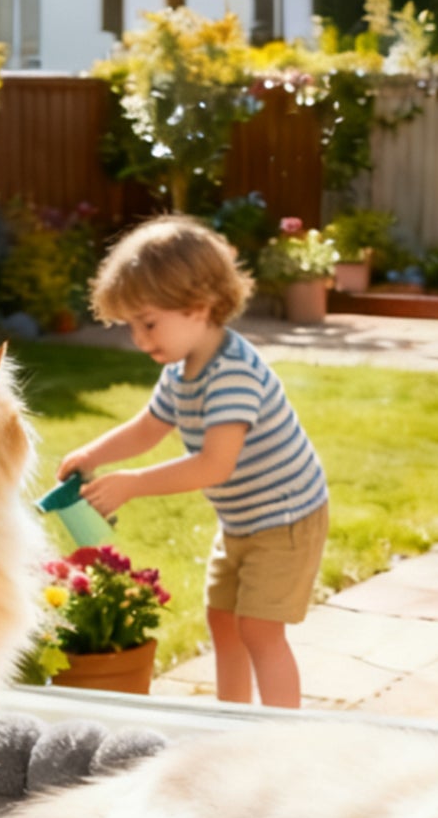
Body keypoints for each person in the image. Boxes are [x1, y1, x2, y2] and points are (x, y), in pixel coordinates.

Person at [59, 215, 328, 709]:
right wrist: (93, 454)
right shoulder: (185, 368)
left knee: (260, 629)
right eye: (132, 326)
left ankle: (284, 740)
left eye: (148, 323)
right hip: (243, 520)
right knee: (223, 622)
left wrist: (132, 484)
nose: (139, 339)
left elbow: (213, 467)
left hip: (287, 517)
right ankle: (230, 722)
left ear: (198, 307)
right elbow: (148, 427)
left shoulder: (233, 374)